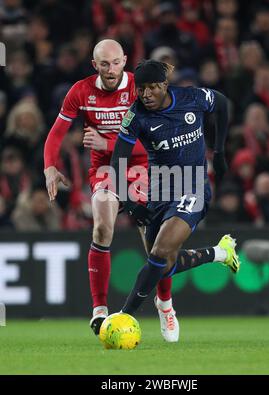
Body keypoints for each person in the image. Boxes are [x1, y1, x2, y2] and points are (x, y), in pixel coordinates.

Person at [43, 40, 177, 342]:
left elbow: (158, 139)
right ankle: (100, 310)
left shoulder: (140, 89)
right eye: (104, 64)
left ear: (125, 61)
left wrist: (108, 144)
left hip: (146, 167)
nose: (111, 69)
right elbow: (56, 133)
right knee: (102, 228)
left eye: (116, 62)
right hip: (106, 171)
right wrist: (50, 166)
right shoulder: (81, 91)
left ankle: (165, 303)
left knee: (157, 247)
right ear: (95, 65)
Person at [109, 59, 241, 316]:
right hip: (159, 189)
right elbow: (117, 161)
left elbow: (223, 103)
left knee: (159, 253)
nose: (146, 94)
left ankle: (124, 316)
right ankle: (220, 253)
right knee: (163, 265)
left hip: (193, 185)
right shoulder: (136, 115)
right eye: (140, 89)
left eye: (152, 88)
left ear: (165, 85)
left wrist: (220, 150)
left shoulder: (192, 98)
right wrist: (130, 202)